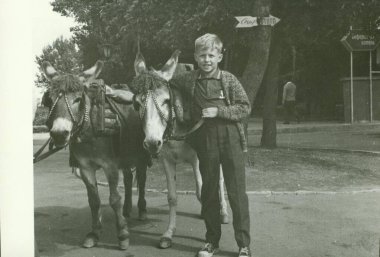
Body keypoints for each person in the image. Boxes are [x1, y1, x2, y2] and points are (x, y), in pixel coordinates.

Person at [171, 33, 252, 257]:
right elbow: (168, 82)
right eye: (202, 55)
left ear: (219, 56)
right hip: (205, 140)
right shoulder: (188, 79)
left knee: (236, 193)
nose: (207, 60)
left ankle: (243, 245)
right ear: (196, 57)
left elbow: (245, 108)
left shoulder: (229, 79)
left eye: (211, 55)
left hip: (231, 139)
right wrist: (180, 108)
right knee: (209, 193)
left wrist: (220, 111)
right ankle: (211, 242)